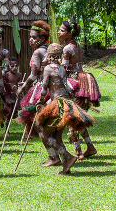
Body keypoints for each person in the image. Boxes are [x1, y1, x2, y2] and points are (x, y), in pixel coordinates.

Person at [35, 44, 94, 174]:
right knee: (57, 136)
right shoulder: (62, 68)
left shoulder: (48, 68)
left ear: (49, 56)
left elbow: (44, 88)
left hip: (57, 104)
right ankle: (66, 168)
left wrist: (40, 101)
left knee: (45, 135)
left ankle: (68, 156)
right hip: (67, 103)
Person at [58, 19, 98, 158]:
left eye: (62, 30)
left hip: (74, 82)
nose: (59, 32)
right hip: (83, 80)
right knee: (77, 117)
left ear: (70, 33)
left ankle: (78, 151)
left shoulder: (66, 48)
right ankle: (90, 146)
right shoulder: (76, 45)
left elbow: (64, 69)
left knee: (72, 116)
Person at [16, 20, 50, 139]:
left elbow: (34, 75)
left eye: (34, 37)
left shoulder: (37, 52)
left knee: (29, 113)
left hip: (41, 86)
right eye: (30, 37)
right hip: (49, 86)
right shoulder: (48, 49)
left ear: (41, 39)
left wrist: (23, 87)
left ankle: (49, 142)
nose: (30, 40)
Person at [2, 57, 22, 121]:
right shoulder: (7, 74)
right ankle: (6, 122)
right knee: (9, 110)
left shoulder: (19, 75)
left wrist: (19, 87)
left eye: (16, 66)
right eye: (12, 66)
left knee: (15, 110)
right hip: (8, 95)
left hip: (16, 94)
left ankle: (9, 119)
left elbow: (20, 84)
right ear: (9, 66)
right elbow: (5, 83)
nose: (15, 68)